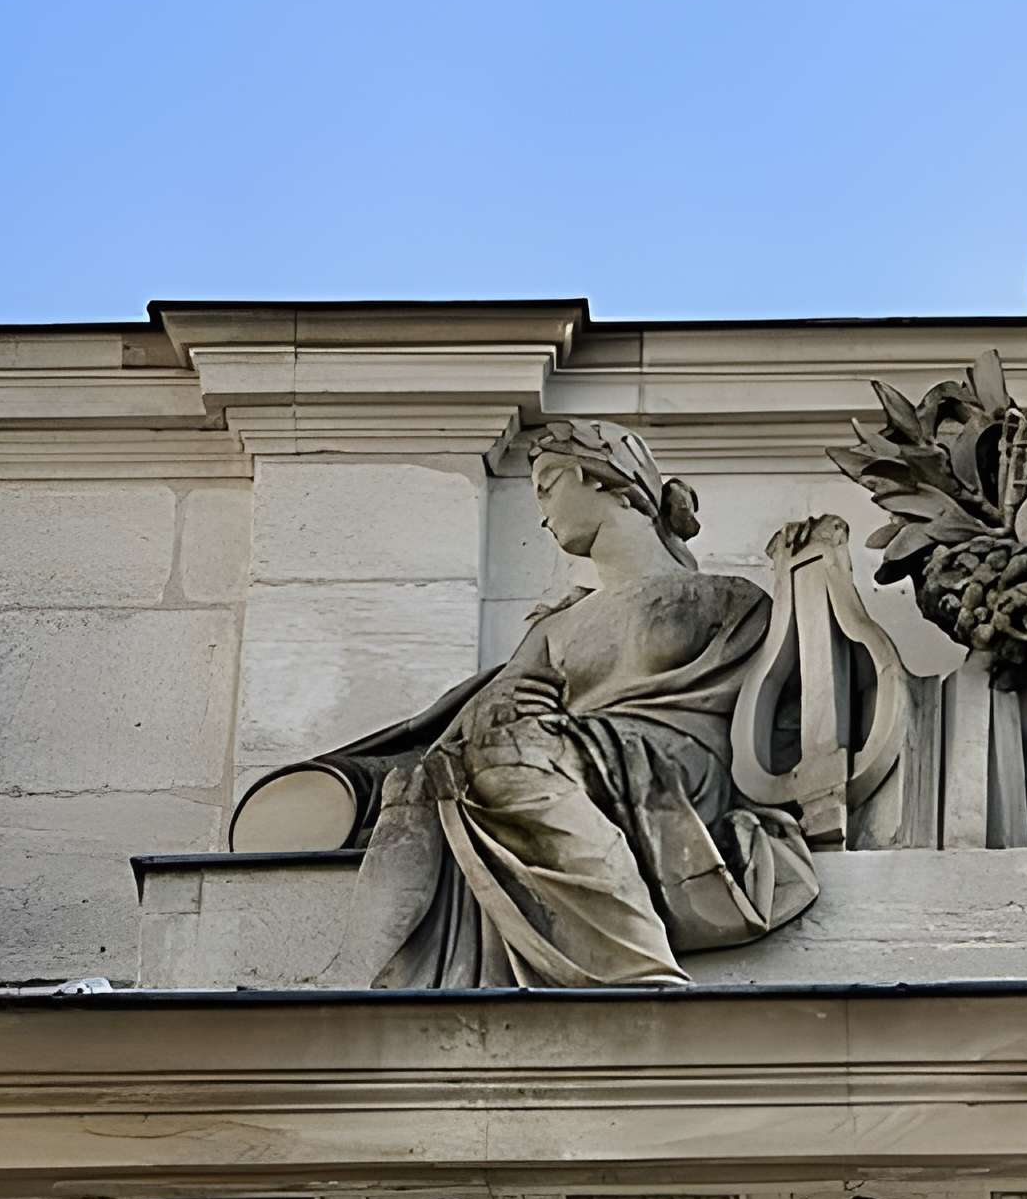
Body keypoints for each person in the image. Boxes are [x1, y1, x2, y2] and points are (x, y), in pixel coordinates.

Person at [337, 420, 816, 988]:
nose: (541, 513)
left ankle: (635, 968)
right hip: (562, 759)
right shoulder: (555, 626)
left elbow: (783, 710)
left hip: (675, 770)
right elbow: (479, 721)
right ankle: (391, 1000)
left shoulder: (725, 597)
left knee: (501, 762)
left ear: (606, 480)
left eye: (547, 485)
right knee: (424, 786)